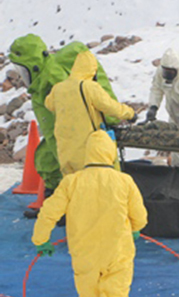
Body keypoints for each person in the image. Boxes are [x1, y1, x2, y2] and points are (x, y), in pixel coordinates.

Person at [32, 130, 148, 297]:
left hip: (84, 254)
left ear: (88, 155)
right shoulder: (123, 180)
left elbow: (49, 212)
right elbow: (140, 215)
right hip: (117, 252)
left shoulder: (72, 182)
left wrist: (41, 240)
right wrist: (136, 229)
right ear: (110, 153)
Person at [8, 34, 119, 216]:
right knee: (46, 161)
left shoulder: (55, 80)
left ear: (33, 65)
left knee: (81, 173)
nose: (21, 76)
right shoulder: (42, 82)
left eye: (22, 70)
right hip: (58, 139)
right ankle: (57, 207)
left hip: (75, 143)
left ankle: (88, 213)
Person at [45, 51, 135, 176]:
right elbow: (110, 107)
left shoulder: (59, 88)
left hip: (65, 148)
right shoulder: (89, 87)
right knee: (97, 181)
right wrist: (129, 113)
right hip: (87, 146)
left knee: (71, 185)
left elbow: (48, 104)